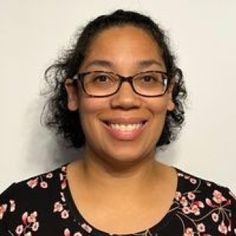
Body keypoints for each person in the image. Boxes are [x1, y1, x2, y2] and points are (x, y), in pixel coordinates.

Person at [0, 9, 235, 236]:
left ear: (169, 94)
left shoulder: (221, 212)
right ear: (74, 94)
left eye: (147, 78)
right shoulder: (16, 210)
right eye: (102, 78)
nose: (125, 99)